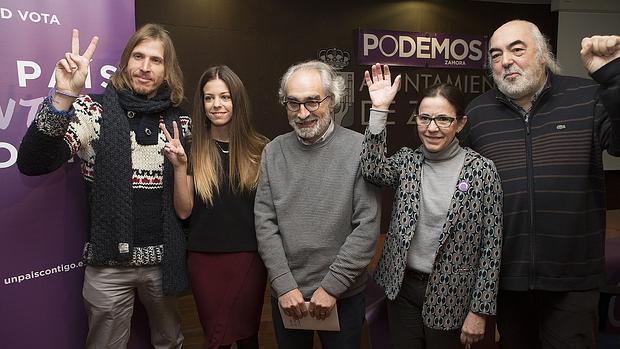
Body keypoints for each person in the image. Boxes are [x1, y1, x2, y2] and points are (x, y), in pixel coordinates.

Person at [17, 24, 188, 348]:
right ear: (126, 61)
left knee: (171, 341)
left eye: (156, 60)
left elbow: (186, 196)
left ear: (167, 70)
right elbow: (33, 162)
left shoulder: (179, 120)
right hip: (108, 264)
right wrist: (64, 96)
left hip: (163, 264)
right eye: (138, 56)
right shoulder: (92, 111)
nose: (145, 67)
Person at [461, 20, 620, 349]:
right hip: (508, 281)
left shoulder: (587, 97)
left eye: (517, 50)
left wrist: (612, 77)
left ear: (543, 54)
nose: (506, 60)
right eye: (496, 54)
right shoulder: (478, 114)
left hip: (573, 279)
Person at [361, 64, 503, 349]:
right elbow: (372, 170)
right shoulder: (408, 162)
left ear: (460, 123)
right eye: (424, 118)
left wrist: (479, 311)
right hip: (401, 290)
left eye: (443, 119)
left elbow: (492, 248)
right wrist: (379, 110)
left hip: (453, 293)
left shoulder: (482, 171)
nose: (432, 128)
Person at [254, 60, 381, 349]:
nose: (303, 113)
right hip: (288, 296)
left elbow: (367, 226)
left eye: (313, 101)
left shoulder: (361, 149)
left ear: (333, 101)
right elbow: (265, 223)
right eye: (293, 103)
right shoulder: (273, 151)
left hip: (344, 297)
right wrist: (284, 285)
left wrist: (331, 287)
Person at [160, 65, 269, 349]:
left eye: (225, 97)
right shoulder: (189, 148)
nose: (217, 105)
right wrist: (180, 167)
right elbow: (184, 211)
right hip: (204, 259)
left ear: (237, 101)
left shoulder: (261, 149)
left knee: (248, 337)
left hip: (249, 258)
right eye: (209, 98)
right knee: (216, 337)